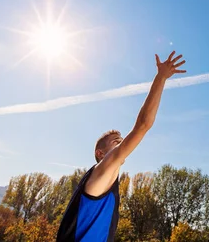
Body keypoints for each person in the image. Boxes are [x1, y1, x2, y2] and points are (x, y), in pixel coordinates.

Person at [56, 51, 186, 241]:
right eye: (116, 142)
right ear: (100, 153)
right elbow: (143, 125)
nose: (122, 144)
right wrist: (161, 77)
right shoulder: (100, 172)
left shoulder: (104, 183)